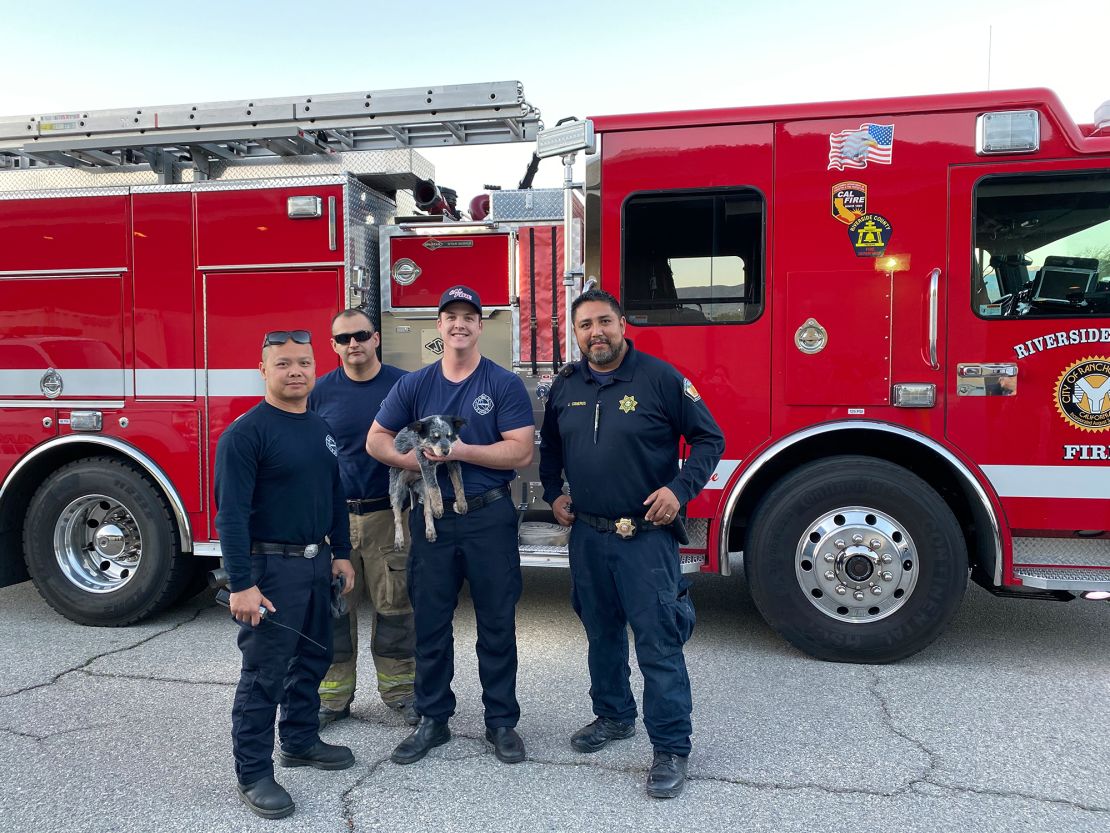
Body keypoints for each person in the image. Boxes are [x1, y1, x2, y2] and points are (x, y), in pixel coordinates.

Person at [538, 288, 724, 799]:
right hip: (589, 536)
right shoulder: (566, 385)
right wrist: (554, 494)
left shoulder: (660, 379)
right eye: (584, 326)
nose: (595, 333)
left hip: (644, 539)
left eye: (604, 322)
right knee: (600, 633)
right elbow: (550, 447)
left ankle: (670, 747)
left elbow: (710, 439)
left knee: (658, 642)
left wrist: (679, 490)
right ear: (575, 335)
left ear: (623, 324)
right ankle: (614, 716)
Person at [367, 285, 534, 766]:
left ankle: (501, 722)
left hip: (488, 514)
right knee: (432, 622)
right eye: (450, 316)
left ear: (480, 326)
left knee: (497, 622)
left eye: (469, 316)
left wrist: (457, 451)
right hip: (433, 518)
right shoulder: (415, 385)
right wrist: (412, 460)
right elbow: (375, 439)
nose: (459, 324)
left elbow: (521, 451)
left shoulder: (501, 384)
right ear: (438, 327)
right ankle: (433, 719)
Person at [215, 328, 357, 820]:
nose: (295, 371)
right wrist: (241, 584)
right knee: (264, 675)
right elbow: (230, 516)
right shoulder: (246, 434)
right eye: (283, 364)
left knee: (315, 659)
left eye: (303, 362)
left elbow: (334, 494)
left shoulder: (318, 425)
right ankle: (253, 773)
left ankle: (298, 740)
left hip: (317, 565)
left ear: (315, 368)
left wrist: (341, 553)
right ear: (263, 370)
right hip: (270, 570)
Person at [311, 309, 418, 728]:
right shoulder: (319, 393)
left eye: (360, 335)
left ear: (376, 339)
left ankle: (401, 693)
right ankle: (333, 698)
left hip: (388, 516)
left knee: (396, 606)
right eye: (343, 338)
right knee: (334, 609)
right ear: (333, 346)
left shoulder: (402, 386)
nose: (352, 344)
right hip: (335, 520)